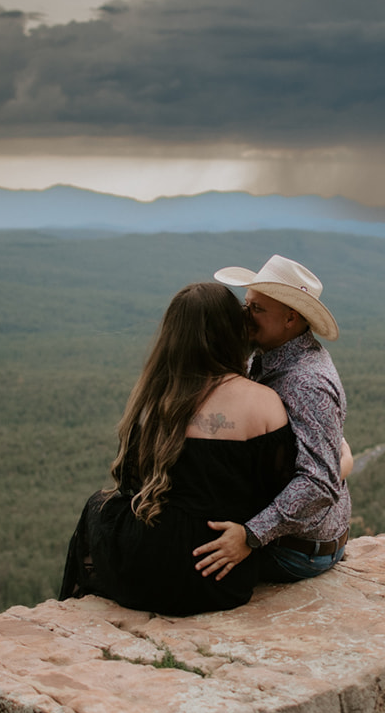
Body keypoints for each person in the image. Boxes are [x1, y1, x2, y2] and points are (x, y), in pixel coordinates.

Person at [59, 282, 295, 615]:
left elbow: (133, 487)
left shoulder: (153, 400)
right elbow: (277, 491)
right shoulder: (266, 403)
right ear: (231, 332)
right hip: (220, 574)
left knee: (97, 506)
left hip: (143, 572)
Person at [193, 254, 352, 584]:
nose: (245, 316)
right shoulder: (268, 357)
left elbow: (319, 483)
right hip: (295, 539)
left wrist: (250, 536)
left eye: (257, 309)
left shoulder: (307, 383)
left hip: (300, 549)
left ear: (291, 318)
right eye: (247, 304)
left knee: (178, 557)